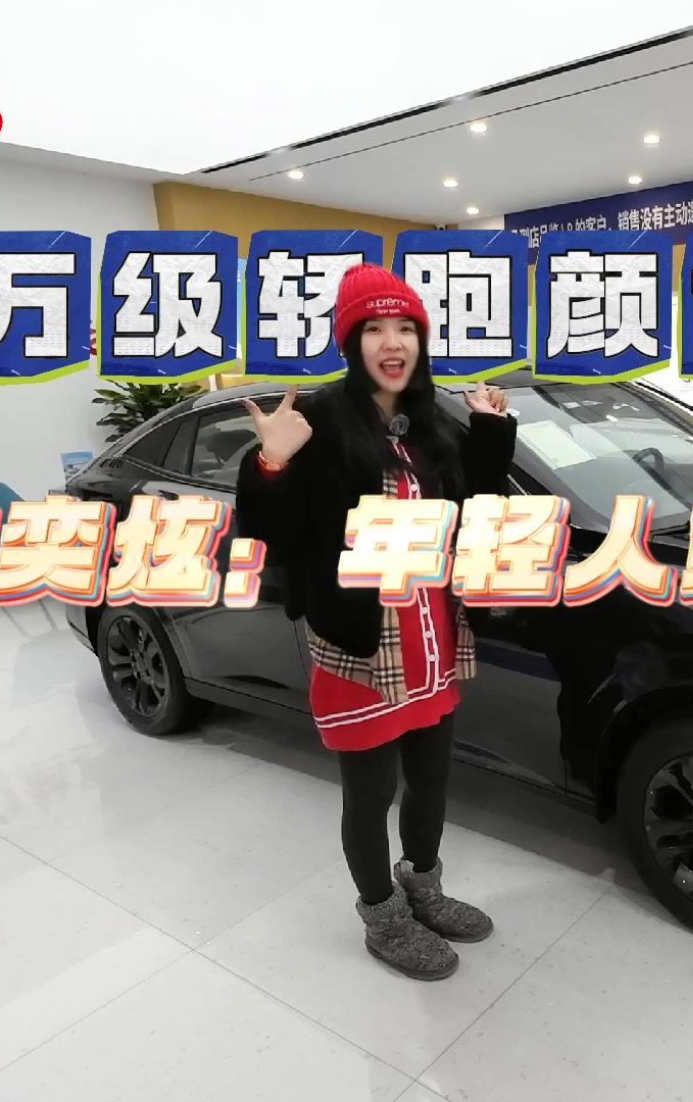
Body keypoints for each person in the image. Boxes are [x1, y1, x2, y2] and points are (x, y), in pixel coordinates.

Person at [234, 263, 517, 981]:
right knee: (370, 794)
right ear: (350, 341)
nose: (393, 343)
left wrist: (490, 432)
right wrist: (271, 461)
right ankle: (383, 916)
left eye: (406, 329)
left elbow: (477, 507)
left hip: (434, 637)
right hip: (361, 642)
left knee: (431, 781)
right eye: (375, 329)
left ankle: (424, 888)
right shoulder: (320, 422)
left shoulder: (431, 422)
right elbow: (273, 535)